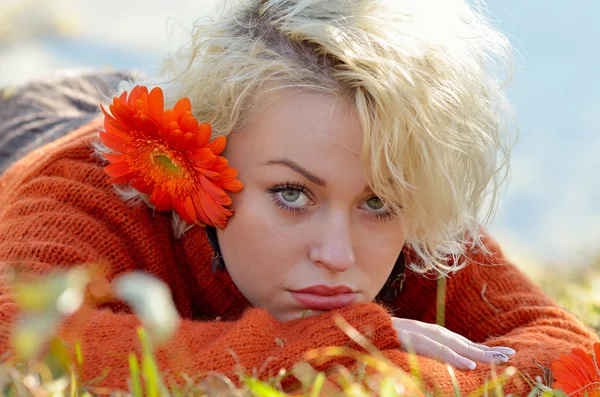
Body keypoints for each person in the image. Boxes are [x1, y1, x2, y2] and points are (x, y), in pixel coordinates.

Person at [0, 0, 598, 395]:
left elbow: (567, 355)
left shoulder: (387, 176)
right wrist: (329, 346)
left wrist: (380, 366)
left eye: (377, 204)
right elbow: (16, 338)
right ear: (203, 163)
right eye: (292, 193)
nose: (338, 255)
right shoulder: (88, 192)